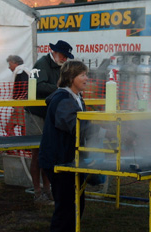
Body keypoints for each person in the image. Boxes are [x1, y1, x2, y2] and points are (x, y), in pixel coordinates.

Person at [39, 60, 93, 231]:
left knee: (76, 204)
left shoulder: (76, 97)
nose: (86, 78)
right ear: (71, 77)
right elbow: (77, 126)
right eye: (82, 75)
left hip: (69, 159)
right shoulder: (62, 99)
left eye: (86, 74)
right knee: (66, 209)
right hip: (59, 160)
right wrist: (107, 132)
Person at [25, 40, 74, 204]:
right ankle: (38, 192)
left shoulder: (60, 67)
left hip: (48, 114)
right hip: (36, 113)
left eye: (67, 57)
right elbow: (37, 86)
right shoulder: (40, 64)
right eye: (64, 56)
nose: (65, 59)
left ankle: (48, 189)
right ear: (54, 52)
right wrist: (60, 89)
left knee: (47, 153)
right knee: (37, 154)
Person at [5, 55, 29, 136]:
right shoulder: (24, 70)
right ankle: (24, 147)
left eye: (10, 64)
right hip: (23, 104)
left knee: (9, 128)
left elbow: (23, 86)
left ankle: (16, 147)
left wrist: (20, 99)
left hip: (21, 104)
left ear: (15, 63)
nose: (9, 67)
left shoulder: (20, 71)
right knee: (24, 128)